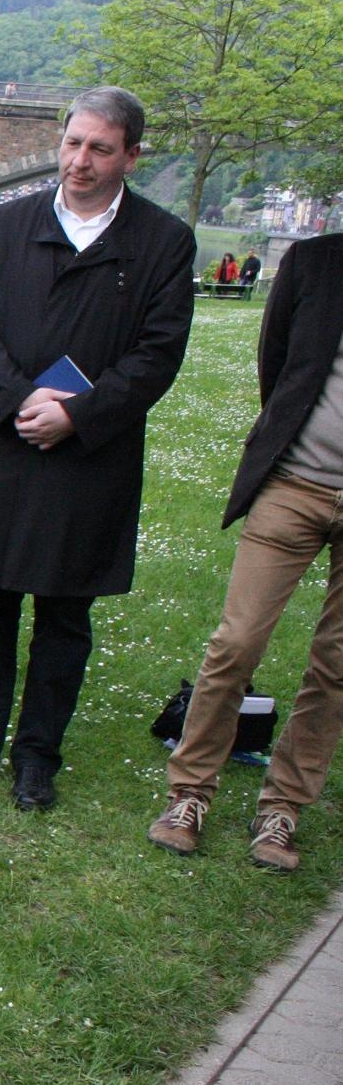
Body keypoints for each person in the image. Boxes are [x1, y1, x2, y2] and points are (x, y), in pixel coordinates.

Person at [0, 86, 196, 809]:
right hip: (3, 444)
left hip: (88, 456)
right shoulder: (8, 223)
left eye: (99, 148)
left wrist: (77, 413)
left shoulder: (162, 242)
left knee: (64, 611)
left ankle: (36, 757)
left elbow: (157, 353)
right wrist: (18, 399)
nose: (79, 161)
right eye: (72, 143)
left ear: (130, 156)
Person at [147, 234, 343, 870]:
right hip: (295, 484)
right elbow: (277, 363)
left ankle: (283, 806)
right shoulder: (316, 262)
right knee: (237, 643)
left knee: (337, 665)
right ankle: (189, 793)